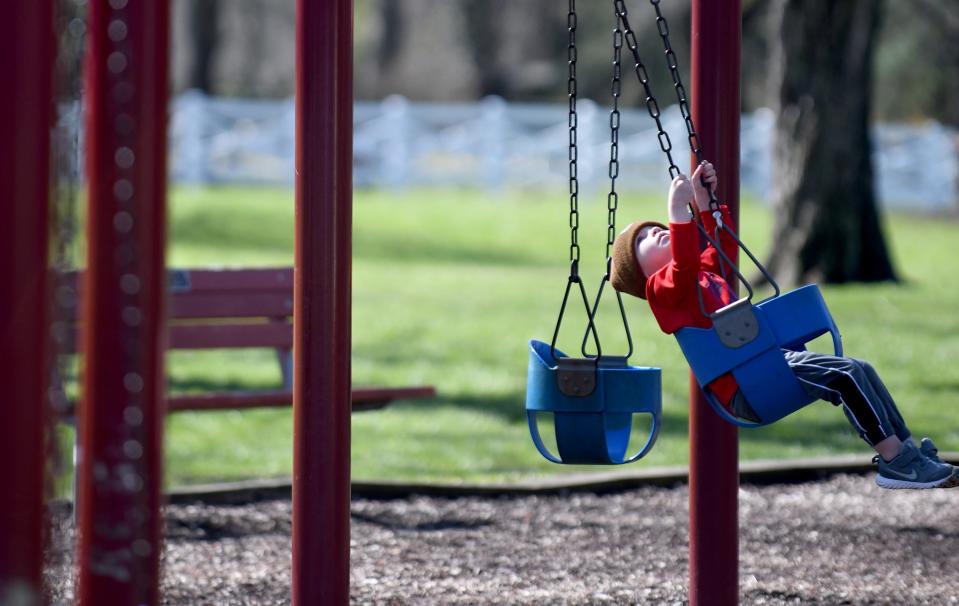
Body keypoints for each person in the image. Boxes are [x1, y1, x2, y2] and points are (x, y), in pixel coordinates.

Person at [610, 161, 957, 490]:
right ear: (641, 275)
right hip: (747, 385)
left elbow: (723, 246)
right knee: (846, 374)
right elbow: (683, 264)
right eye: (643, 240)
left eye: (655, 227)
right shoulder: (663, 292)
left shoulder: (700, 275)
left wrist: (704, 203)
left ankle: (909, 452)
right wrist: (676, 214)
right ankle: (894, 460)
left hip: (765, 364)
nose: (655, 232)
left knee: (859, 368)